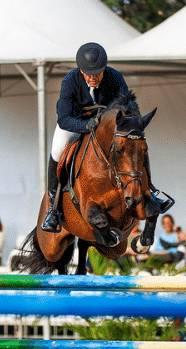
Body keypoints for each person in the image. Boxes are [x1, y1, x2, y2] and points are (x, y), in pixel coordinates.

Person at [41, 42, 172, 233]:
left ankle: (150, 190)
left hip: (108, 127)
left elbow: (129, 107)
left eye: (98, 73)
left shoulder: (115, 77)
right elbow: (63, 118)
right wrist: (84, 126)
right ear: (81, 70)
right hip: (76, 123)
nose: (93, 78)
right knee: (57, 148)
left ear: (104, 68)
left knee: (137, 143)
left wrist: (133, 124)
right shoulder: (70, 81)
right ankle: (53, 208)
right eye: (88, 74)